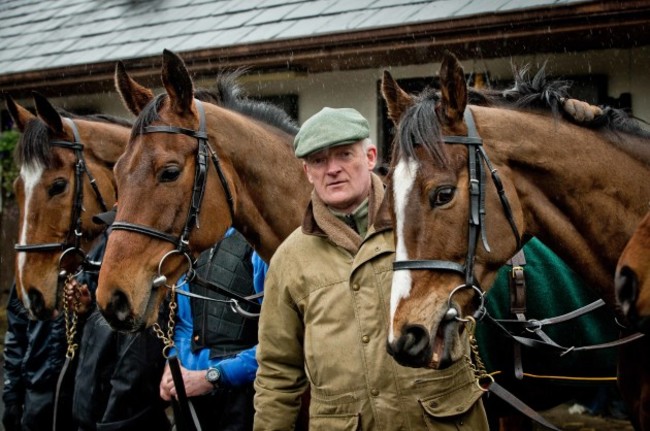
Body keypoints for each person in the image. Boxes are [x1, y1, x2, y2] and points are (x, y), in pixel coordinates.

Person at [253, 107, 489, 430]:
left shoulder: (426, 224)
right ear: (307, 171)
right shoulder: (289, 261)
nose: (332, 169)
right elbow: (277, 374)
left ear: (370, 156)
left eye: (344, 154)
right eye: (319, 161)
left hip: (441, 420)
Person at [68, 209, 172, 431]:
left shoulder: (141, 300)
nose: (111, 236)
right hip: (88, 418)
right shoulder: (102, 261)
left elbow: (132, 379)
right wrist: (84, 310)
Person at [159, 227, 268, 431]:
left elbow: (278, 346)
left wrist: (215, 376)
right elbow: (183, 324)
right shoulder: (188, 247)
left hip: (245, 399)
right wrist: (172, 366)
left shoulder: (260, 247)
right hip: (190, 397)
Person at [3, 283, 75, 431]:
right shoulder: (29, 269)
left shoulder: (89, 268)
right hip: (36, 393)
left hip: (77, 398)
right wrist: (12, 397)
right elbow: (16, 336)